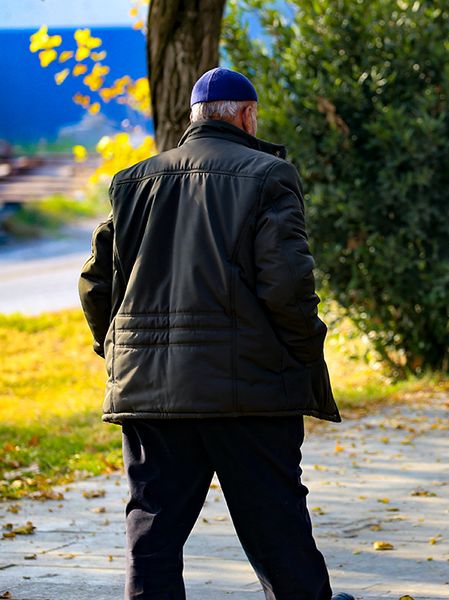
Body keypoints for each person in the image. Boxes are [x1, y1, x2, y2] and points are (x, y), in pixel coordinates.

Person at [79, 67, 354, 600]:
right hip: (249, 390)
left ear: (196, 117)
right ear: (247, 116)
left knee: (153, 531)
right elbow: (287, 284)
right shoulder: (269, 175)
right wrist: (302, 353)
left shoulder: (132, 182)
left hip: (150, 390)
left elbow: (96, 284)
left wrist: (119, 352)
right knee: (276, 528)